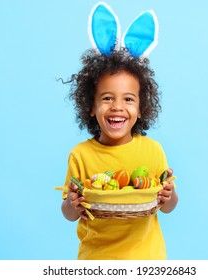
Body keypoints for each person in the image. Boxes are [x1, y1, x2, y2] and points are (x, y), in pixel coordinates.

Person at [60, 48, 178, 259]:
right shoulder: (80, 155)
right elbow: (69, 215)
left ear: (141, 108)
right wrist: (71, 203)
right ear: (91, 106)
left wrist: (170, 197)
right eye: (107, 98)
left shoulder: (152, 150)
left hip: (147, 259)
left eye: (128, 99)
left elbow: (167, 207)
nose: (117, 107)